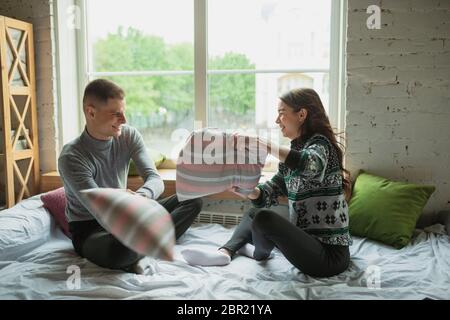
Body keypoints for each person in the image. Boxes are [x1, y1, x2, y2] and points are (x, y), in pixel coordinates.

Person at [182, 88, 352, 277]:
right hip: (306, 243)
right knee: (255, 212)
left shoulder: (321, 145)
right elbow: (266, 195)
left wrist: (265, 144)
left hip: (329, 257)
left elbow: (309, 164)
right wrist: (246, 190)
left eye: (281, 114)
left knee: (264, 218)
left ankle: (258, 253)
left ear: (302, 114)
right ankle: (225, 252)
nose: (276, 121)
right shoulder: (293, 154)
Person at [59, 79, 202, 272]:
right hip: (93, 229)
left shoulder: (128, 136)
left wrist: (141, 197)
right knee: (120, 250)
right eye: (115, 114)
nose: (124, 120)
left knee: (193, 199)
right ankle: (146, 248)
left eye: (123, 111)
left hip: (133, 212)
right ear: (91, 112)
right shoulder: (72, 156)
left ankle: (143, 250)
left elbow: (154, 179)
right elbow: (101, 210)